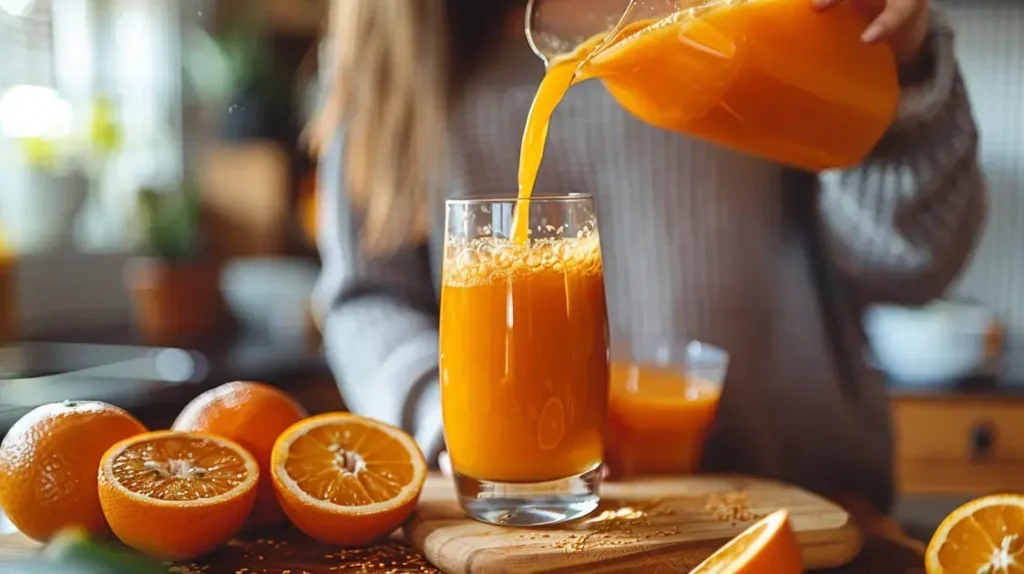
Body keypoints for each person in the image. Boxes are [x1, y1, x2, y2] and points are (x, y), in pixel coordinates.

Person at [311, 0, 985, 514]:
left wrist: (899, 67)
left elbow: (911, 264)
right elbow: (367, 297)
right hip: (538, 526)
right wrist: (454, 419)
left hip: (795, 513)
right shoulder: (395, 37)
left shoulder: (765, 17)